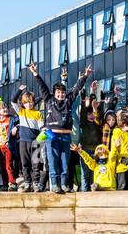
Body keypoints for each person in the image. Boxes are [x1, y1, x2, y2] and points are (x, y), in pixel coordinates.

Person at [28, 60, 92, 194]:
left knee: (64, 161)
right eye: (58, 93)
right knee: (52, 160)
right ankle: (55, 184)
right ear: (54, 93)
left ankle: (63, 184)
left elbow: (76, 89)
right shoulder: (49, 100)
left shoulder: (68, 101)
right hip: (52, 135)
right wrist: (35, 73)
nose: (61, 95)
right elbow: (42, 86)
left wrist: (85, 76)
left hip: (66, 136)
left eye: (63, 93)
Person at [9, 85, 46, 192]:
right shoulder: (21, 111)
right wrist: (20, 90)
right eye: (26, 102)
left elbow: (41, 126)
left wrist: (43, 129)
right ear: (23, 103)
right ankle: (27, 183)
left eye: (30, 102)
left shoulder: (38, 113)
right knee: (25, 164)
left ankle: (36, 184)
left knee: (36, 164)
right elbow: (13, 101)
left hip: (35, 142)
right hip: (23, 141)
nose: (28, 104)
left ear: (34, 102)